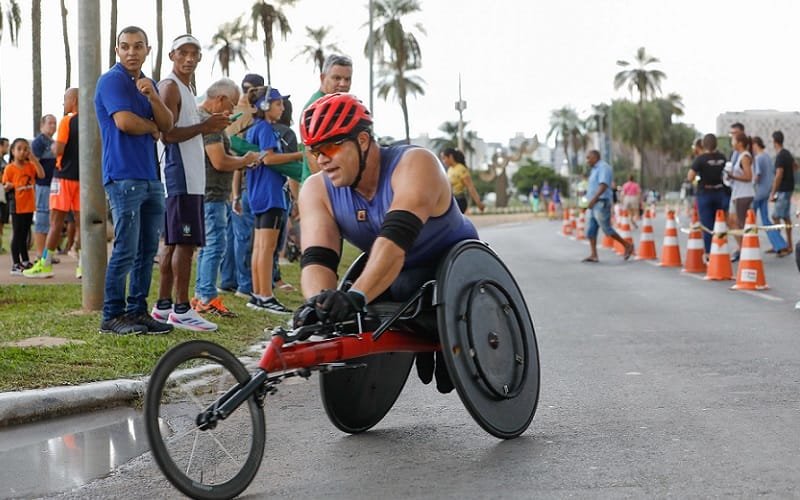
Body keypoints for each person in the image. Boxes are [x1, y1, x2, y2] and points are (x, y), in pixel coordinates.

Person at [295, 92, 479, 393]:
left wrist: (355, 297)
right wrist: (320, 303)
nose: (321, 159)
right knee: (371, 303)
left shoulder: (416, 164)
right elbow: (318, 258)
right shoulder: (316, 189)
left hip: (454, 269)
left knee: (401, 286)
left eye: (329, 146)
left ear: (364, 140)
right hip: (393, 274)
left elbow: (393, 245)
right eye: (314, 150)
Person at [94, 26, 174, 335]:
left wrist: (153, 97)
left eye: (138, 46)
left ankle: (138, 311)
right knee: (126, 248)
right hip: (123, 175)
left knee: (146, 249)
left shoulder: (147, 83)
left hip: (151, 177)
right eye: (125, 46)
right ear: (117, 50)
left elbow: (167, 123)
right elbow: (124, 122)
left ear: (147, 50)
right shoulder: (111, 80)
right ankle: (112, 316)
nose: (131, 52)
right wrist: (151, 128)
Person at [150, 34, 230, 332]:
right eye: (183, 53)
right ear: (172, 55)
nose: (189, 58)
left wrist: (208, 125)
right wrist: (206, 126)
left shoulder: (184, 87)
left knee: (174, 244)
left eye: (194, 53)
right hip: (179, 174)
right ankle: (182, 308)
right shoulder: (170, 86)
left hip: (187, 177)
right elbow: (167, 133)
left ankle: (163, 306)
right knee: (184, 243)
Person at [192, 78, 260, 317]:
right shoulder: (210, 124)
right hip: (212, 195)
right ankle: (207, 296)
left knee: (208, 246)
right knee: (215, 245)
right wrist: (245, 160)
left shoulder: (202, 119)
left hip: (207, 192)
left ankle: (202, 294)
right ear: (219, 99)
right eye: (231, 105)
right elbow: (219, 161)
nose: (231, 112)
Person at [244, 86, 302, 314]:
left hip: (258, 193)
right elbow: (269, 159)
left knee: (260, 247)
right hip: (271, 195)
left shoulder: (253, 129)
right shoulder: (266, 129)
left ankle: (258, 294)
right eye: (278, 104)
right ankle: (266, 296)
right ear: (265, 107)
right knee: (267, 249)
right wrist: (300, 154)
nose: (282, 107)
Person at [23, 88, 81, 279]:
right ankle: (84, 264)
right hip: (83, 178)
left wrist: (55, 145)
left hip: (63, 177)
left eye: (65, 100)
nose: (63, 105)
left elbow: (59, 150)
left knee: (55, 222)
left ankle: (45, 262)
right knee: (82, 223)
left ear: (72, 100)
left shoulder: (67, 120)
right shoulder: (92, 120)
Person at [219, 74, 263, 298]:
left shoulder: (241, 112)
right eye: (246, 89)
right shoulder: (244, 114)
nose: (248, 93)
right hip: (236, 180)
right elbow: (238, 152)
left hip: (232, 179)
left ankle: (229, 280)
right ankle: (239, 283)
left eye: (253, 90)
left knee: (233, 235)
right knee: (239, 236)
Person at [300, 54, 353, 182]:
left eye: (347, 79)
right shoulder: (316, 108)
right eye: (337, 78)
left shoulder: (339, 105)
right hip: (323, 190)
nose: (343, 84)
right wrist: (330, 191)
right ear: (323, 78)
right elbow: (312, 155)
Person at [581, 150, 634, 263]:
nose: (587, 161)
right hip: (593, 204)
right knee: (591, 230)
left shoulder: (604, 167)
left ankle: (627, 245)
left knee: (607, 229)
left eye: (588, 158)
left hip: (601, 202)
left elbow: (603, 185)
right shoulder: (594, 170)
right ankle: (594, 255)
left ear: (595, 157)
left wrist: (594, 199)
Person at [2, 138, 44, 274]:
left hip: (29, 205)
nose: (22, 151)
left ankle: (25, 260)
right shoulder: (10, 168)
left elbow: (42, 174)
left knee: (25, 234)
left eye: (25, 149)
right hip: (17, 206)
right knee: (17, 233)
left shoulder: (30, 166)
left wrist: (33, 158)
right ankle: (15, 263)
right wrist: (10, 186)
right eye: (19, 149)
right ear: (12, 151)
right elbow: (5, 185)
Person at [688, 134, 729, 257]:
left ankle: (709, 253)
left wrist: (698, 178)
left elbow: (690, 176)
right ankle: (721, 249)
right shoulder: (722, 158)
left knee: (707, 225)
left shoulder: (700, 159)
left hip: (705, 193)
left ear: (703, 145)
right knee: (720, 223)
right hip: (720, 193)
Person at [751, 136, 788, 255]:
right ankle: (779, 244)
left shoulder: (758, 158)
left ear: (755, 145)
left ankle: (748, 245)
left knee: (749, 220)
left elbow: (757, 176)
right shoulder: (767, 157)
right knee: (766, 220)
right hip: (766, 191)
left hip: (757, 193)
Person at [30, 114, 58, 261]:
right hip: (43, 185)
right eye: (50, 123)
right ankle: (40, 253)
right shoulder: (39, 142)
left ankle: (47, 253)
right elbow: (34, 164)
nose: (53, 126)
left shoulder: (52, 141)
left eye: (55, 123)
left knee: (50, 220)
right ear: (42, 125)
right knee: (42, 217)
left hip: (52, 185)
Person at [726, 131, 754, 262]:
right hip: (737, 193)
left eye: (733, 140)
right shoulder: (739, 156)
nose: (732, 143)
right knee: (732, 221)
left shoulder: (745, 156)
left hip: (744, 195)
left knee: (741, 223)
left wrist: (733, 176)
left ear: (740, 143)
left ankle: (747, 250)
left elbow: (748, 177)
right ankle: (742, 247)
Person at [769, 130, 795, 257]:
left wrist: (773, 192)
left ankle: (781, 244)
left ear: (774, 141)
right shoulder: (787, 154)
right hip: (788, 188)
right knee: (785, 217)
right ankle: (785, 244)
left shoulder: (780, 156)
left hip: (783, 190)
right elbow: (795, 166)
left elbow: (778, 175)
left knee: (776, 216)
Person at [441, 147, 484, 214]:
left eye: (444, 158)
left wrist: (478, 203)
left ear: (450, 156)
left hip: (459, 201)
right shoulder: (450, 170)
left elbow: (470, 187)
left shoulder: (461, 169)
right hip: (451, 201)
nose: (443, 161)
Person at [0, 137, 8, 254]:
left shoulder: (4, 161)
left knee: (1, 219)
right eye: (6, 145)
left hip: (3, 192)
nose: (8, 148)